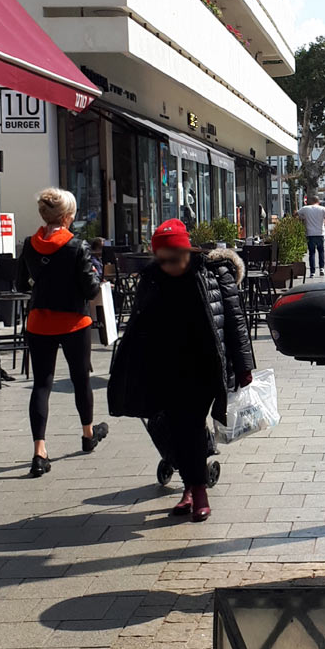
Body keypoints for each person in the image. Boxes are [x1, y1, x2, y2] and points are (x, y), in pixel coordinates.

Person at [108, 219, 253, 522]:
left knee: (189, 425)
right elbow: (138, 323)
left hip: (204, 365)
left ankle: (197, 491)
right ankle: (192, 488)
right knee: (179, 427)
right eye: (163, 258)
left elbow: (235, 320)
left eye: (175, 256)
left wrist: (243, 368)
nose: (169, 264)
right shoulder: (152, 277)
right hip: (165, 365)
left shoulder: (213, 273)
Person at [16, 187, 107, 479]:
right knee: (81, 380)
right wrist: (96, 273)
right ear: (67, 217)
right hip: (73, 323)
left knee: (41, 384)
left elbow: (20, 284)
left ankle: (39, 451)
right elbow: (90, 290)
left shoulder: (30, 244)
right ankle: (87, 434)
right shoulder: (76, 247)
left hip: (39, 321)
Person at [297, 193, 325, 277]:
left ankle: (312, 272)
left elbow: (296, 215)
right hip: (320, 233)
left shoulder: (305, 209)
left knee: (312, 253)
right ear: (318, 201)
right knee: (321, 251)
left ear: (311, 201)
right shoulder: (322, 209)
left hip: (310, 234)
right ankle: (321, 268)